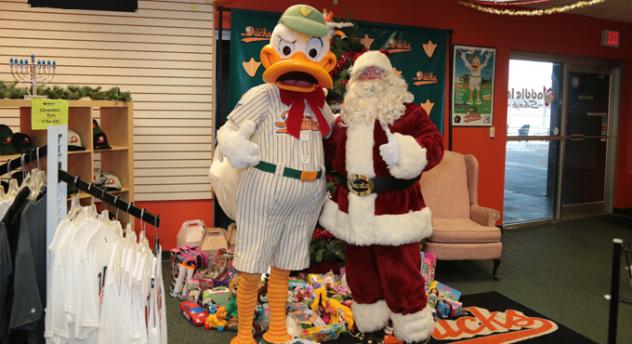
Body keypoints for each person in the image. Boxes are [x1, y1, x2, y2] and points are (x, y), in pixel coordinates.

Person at [214, 4, 336, 344]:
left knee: (285, 264)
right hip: (264, 189)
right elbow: (228, 129)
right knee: (251, 263)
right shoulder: (262, 95)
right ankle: (243, 333)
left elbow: (333, 133)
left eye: (310, 51)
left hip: (307, 196)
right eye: (290, 48)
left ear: (323, 59)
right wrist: (234, 146)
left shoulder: (318, 102)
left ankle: (277, 328)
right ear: (273, 53)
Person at [320, 51, 444, 344]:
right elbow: (331, 157)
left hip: (394, 210)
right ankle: (371, 326)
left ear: (390, 79)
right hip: (355, 208)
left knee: (401, 273)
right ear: (353, 82)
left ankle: (414, 330)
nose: (370, 80)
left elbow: (434, 145)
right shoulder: (344, 120)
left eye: (377, 74)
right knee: (361, 273)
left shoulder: (410, 113)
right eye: (364, 75)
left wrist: (405, 150)